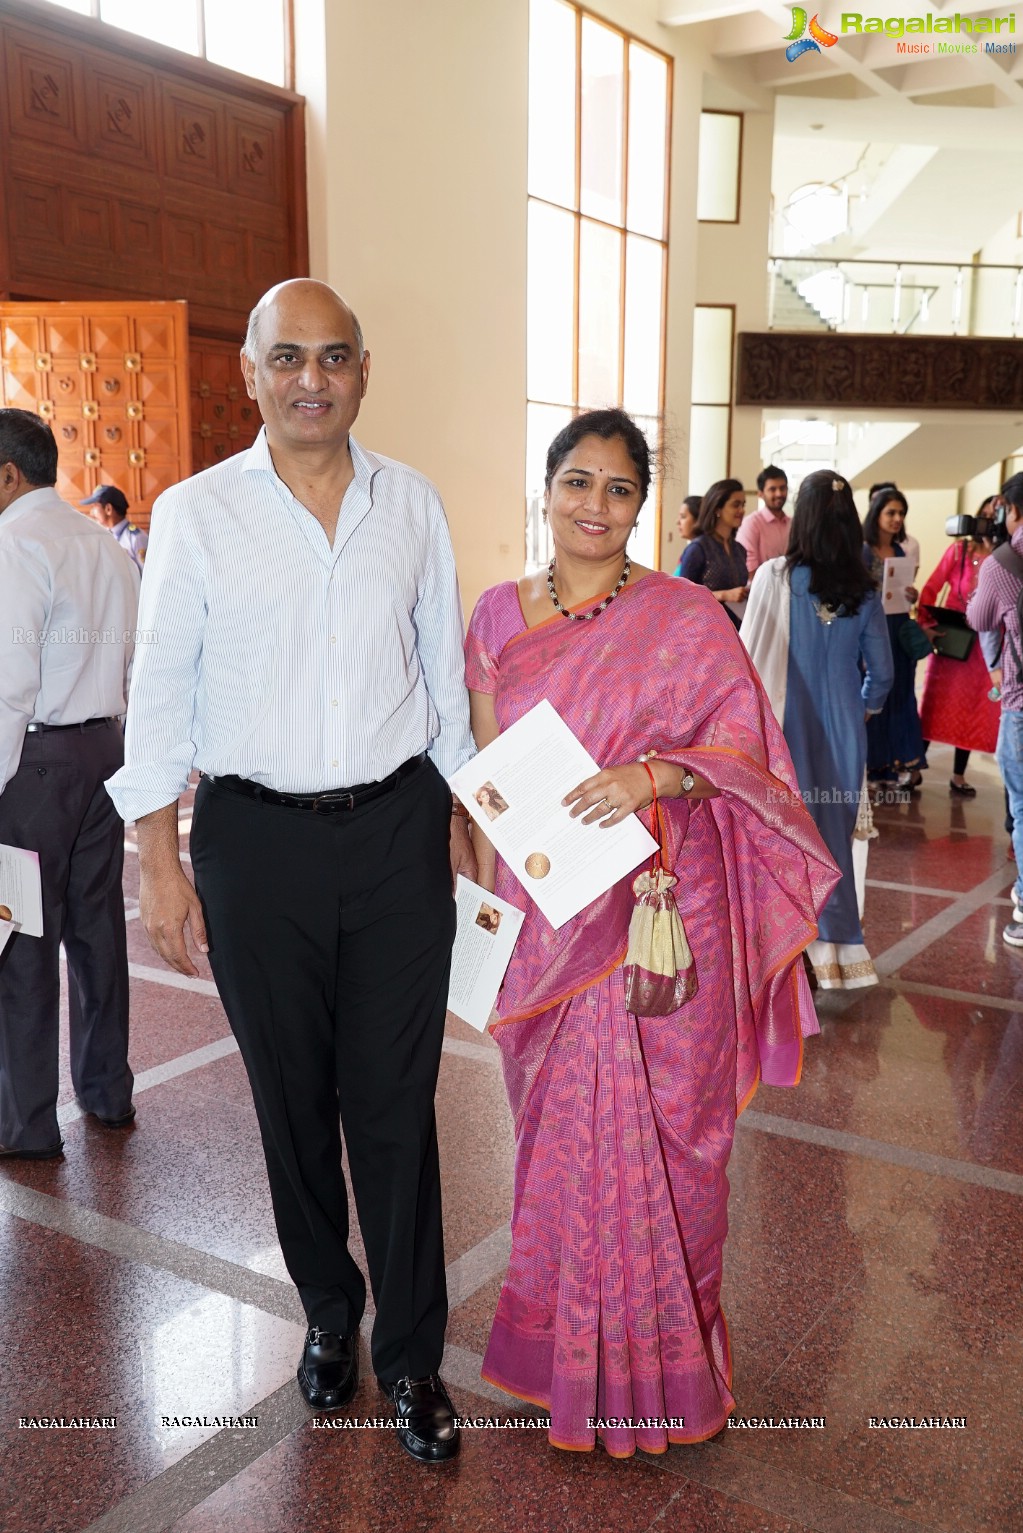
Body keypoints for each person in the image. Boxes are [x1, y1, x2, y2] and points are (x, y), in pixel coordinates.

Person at [106, 279, 475, 1463]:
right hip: (253, 841)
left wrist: (467, 807)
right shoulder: (198, 513)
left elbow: (443, 679)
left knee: (394, 1104)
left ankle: (415, 1357)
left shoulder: (410, 504)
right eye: (288, 359)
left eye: (334, 357)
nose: (311, 379)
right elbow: (157, 696)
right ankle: (330, 1313)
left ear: (365, 369)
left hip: (397, 832)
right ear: (253, 375)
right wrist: (158, 863)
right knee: (291, 1103)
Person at [464, 408, 838, 1457]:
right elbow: (490, 765)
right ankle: (562, 1357)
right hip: (549, 913)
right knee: (553, 1140)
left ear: (643, 504)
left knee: (677, 1142)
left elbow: (749, 754)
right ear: (545, 487)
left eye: (618, 489)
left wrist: (654, 778)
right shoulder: (497, 614)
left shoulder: (683, 615)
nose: (595, 506)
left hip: (661, 916)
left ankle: (670, 1367)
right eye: (577, 482)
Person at [0, 409, 138, 1159]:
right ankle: (107, 1090)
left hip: (36, 765)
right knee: (96, 931)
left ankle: (22, 1124)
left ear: (8, 475)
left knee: (20, 940)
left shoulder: (14, 543)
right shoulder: (103, 543)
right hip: (103, 752)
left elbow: (7, 686)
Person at [742, 471, 893, 989]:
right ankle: (835, 961)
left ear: (800, 518)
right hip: (844, 736)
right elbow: (884, 674)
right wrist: (860, 709)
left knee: (783, 839)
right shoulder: (865, 588)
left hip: (786, 734)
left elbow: (744, 660)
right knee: (834, 843)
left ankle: (784, 958)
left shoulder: (774, 577)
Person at [966, 473, 1023, 946]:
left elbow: (981, 619)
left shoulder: (1003, 562)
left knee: (1022, 806)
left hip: (1022, 703)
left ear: (1010, 509)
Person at [918, 507, 999, 797]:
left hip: (982, 644)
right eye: (985, 515)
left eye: (994, 517)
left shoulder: (1001, 557)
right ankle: (915, 769)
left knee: (970, 706)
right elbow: (931, 588)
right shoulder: (957, 551)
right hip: (950, 639)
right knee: (934, 702)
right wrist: (926, 625)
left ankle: (959, 775)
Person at [862, 487, 925, 791]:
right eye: (891, 512)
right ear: (877, 514)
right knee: (876, 697)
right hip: (873, 630)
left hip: (898, 627)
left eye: (901, 513)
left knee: (900, 694)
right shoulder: (862, 551)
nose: (897, 518)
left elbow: (902, 594)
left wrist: (911, 594)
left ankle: (896, 763)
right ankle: (874, 767)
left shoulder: (901, 552)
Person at [677, 477, 749, 627]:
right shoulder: (698, 549)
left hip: (737, 632)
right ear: (717, 509)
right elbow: (682, 598)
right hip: (705, 633)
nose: (742, 510)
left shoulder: (740, 550)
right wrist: (725, 595)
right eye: (736, 505)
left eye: (743, 504)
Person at [737, 464, 790, 578]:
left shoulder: (794, 524)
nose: (779, 494)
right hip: (760, 591)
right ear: (760, 494)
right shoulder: (751, 523)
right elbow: (750, 570)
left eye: (782, 488)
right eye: (772, 489)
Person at [81, 484, 148, 572]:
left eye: (94, 507)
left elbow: (147, 576)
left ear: (108, 509)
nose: (91, 513)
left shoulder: (137, 538)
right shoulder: (102, 536)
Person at [671, 493, 702, 576]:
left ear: (698, 520)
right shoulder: (693, 549)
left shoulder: (695, 550)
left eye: (683, 517)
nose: (677, 522)